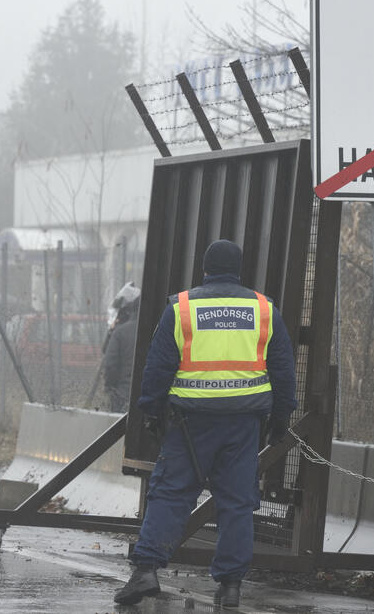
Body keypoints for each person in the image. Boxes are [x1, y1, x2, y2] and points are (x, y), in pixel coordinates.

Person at [114, 239, 296, 609]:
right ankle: (230, 587)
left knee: (171, 494)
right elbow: (283, 369)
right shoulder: (263, 310)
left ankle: (146, 570)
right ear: (240, 270)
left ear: (205, 269)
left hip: (189, 424)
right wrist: (281, 417)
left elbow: (158, 366)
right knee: (237, 503)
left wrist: (151, 412)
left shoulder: (182, 308)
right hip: (244, 426)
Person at [102, 282, 140, 412]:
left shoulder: (120, 333)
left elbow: (110, 363)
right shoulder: (157, 331)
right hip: (147, 397)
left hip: (122, 395)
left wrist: (109, 388)